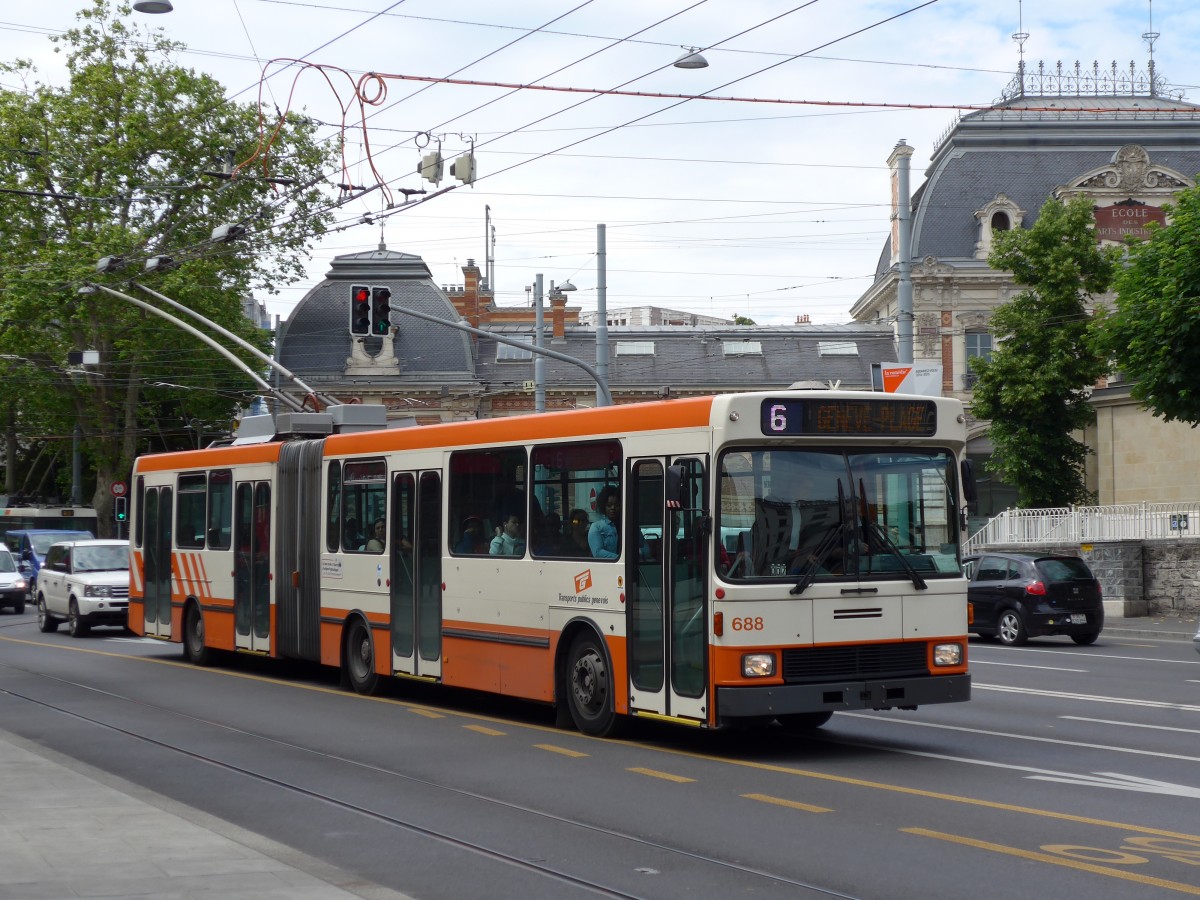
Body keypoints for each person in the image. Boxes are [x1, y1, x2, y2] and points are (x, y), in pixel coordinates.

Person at [750, 454, 842, 576]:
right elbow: (759, 531)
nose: (806, 492)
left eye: (809, 489)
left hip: (801, 560)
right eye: (804, 487)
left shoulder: (811, 511)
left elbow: (816, 537)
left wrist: (812, 554)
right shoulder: (774, 507)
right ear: (793, 486)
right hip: (776, 558)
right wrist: (747, 551)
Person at [589, 486, 620, 559]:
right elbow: (598, 553)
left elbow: (644, 547)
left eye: (617, 505)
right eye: (609, 505)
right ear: (603, 506)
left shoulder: (629, 526)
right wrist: (621, 558)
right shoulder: (596, 527)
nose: (613, 508)